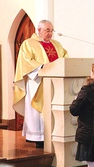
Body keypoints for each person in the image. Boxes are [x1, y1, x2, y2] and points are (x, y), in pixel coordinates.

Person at [13, 19, 68, 148]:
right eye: (47, 30)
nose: (50, 33)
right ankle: (38, 137)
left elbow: (65, 59)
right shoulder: (28, 44)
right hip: (37, 83)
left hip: (55, 83)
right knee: (37, 111)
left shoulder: (57, 44)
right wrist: (43, 67)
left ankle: (53, 135)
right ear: (39, 30)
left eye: (51, 30)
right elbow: (25, 62)